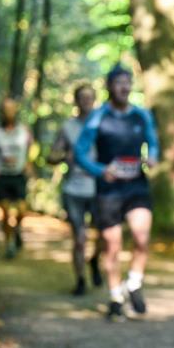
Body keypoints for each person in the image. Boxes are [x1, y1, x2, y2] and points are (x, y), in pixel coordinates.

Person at [75, 64, 160, 321]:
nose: (124, 86)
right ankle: (115, 296)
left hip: (136, 185)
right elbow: (80, 152)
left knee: (141, 236)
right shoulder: (98, 117)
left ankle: (133, 282)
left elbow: (153, 143)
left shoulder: (141, 115)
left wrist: (152, 158)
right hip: (109, 189)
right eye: (119, 82)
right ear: (109, 87)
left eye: (128, 82)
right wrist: (101, 170)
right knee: (112, 246)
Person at [47, 84, 104, 295]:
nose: (86, 101)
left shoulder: (102, 126)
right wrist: (64, 156)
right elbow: (51, 156)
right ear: (76, 101)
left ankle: (95, 260)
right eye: (82, 97)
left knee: (104, 236)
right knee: (79, 238)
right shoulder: (68, 127)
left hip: (99, 188)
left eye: (90, 97)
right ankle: (80, 280)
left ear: (95, 100)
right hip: (74, 190)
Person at [0, 97, 34, 259]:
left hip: (18, 175)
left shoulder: (24, 131)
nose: (8, 113)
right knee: (4, 211)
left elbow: (33, 148)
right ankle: (9, 243)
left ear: (15, 111)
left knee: (22, 211)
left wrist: (29, 163)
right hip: (2, 176)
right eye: (5, 110)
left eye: (11, 109)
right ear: (1, 112)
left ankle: (17, 229)